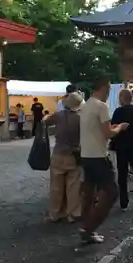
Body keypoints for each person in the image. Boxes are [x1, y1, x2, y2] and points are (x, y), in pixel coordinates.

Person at [78, 77, 129, 244]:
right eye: (107, 90)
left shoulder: (85, 106)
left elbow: (99, 131)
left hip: (86, 154)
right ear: (102, 88)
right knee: (112, 192)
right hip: (98, 156)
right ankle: (89, 229)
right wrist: (120, 127)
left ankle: (86, 226)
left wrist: (113, 128)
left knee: (89, 193)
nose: (108, 94)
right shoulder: (102, 106)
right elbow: (108, 134)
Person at [43, 92, 83, 222]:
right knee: (73, 187)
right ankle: (72, 214)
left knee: (56, 186)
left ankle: (55, 213)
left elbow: (45, 122)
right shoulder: (80, 118)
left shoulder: (58, 116)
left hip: (58, 153)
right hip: (74, 154)